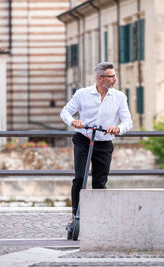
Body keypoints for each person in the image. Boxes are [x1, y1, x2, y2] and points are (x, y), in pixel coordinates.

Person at [60, 62, 133, 239]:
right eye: (111, 76)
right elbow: (65, 112)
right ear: (100, 78)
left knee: (100, 182)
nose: (115, 79)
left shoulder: (119, 97)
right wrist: (73, 122)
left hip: (104, 142)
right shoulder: (82, 94)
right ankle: (76, 215)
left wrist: (118, 129)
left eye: (115, 76)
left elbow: (127, 122)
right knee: (80, 177)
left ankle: (98, 218)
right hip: (84, 139)